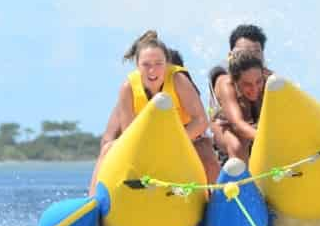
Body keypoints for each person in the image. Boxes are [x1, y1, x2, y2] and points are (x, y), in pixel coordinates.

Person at [88, 31, 220, 195]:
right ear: (137, 65)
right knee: (108, 148)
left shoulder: (179, 80)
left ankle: (214, 206)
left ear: (167, 63)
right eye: (146, 64)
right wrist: (153, 149)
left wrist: (173, 143)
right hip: (146, 143)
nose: (153, 70)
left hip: (187, 138)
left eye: (158, 63)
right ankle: (93, 203)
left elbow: (201, 121)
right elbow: (130, 135)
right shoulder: (127, 88)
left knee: (209, 160)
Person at [209, 50, 269, 163]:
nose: (255, 88)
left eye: (258, 81)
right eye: (247, 84)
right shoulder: (226, 85)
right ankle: (244, 177)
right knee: (238, 146)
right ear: (235, 81)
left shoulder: (268, 78)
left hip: (252, 120)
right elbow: (238, 124)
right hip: (225, 124)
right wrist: (267, 140)